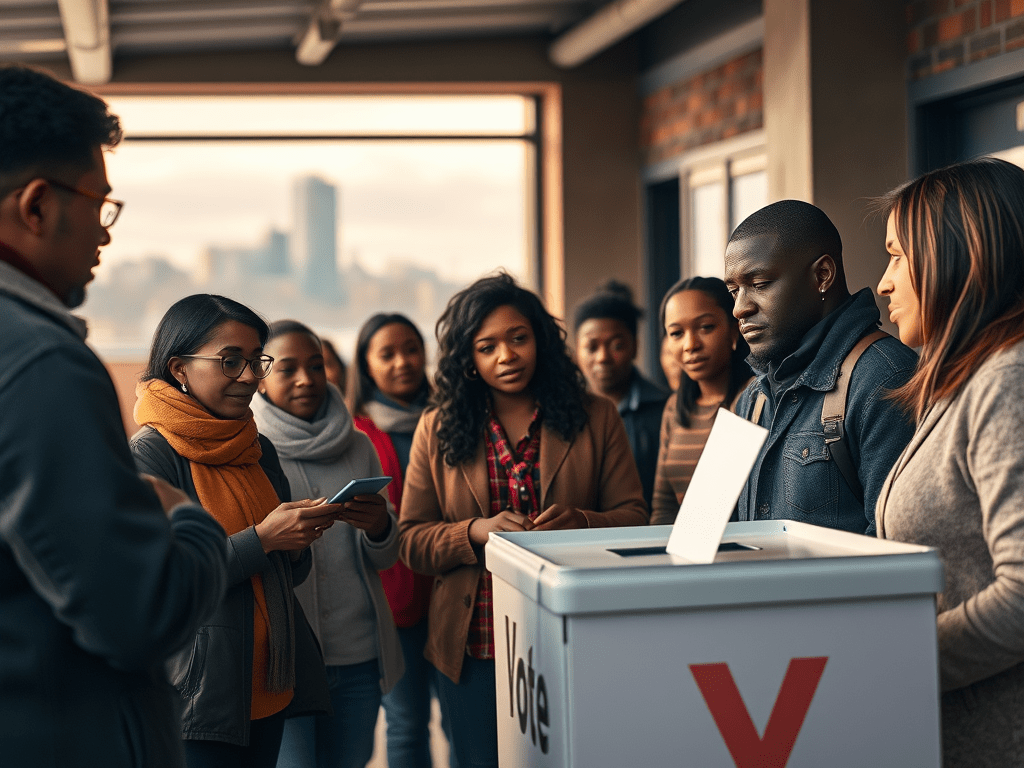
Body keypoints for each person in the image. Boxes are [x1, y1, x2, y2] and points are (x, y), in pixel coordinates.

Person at [0, 64, 229, 768]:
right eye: (100, 204)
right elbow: (139, 616)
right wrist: (190, 519)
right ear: (37, 206)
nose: (105, 236)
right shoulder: (40, 363)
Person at [400, 272, 648, 768]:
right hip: (473, 644)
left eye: (518, 338)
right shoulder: (437, 425)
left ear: (540, 340)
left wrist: (583, 522)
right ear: (467, 358)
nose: (507, 356)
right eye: (487, 346)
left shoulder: (595, 416)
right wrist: (474, 532)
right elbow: (410, 540)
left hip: (570, 633)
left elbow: (637, 519)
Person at [130, 294, 336, 768]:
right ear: (180, 368)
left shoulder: (256, 445)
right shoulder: (150, 454)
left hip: (272, 680)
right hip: (198, 693)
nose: (248, 376)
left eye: (254, 361)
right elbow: (161, 580)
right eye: (229, 361)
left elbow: (290, 573)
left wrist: (298, 535)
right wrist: (263, 539)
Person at [874, 157, 1024, 766]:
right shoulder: (961, 383)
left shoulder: (1006, 382)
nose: (883, 283)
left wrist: (888, 664)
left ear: (958, 255)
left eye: (896, 255)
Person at [250, 319, 403, 768]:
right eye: (288, 368)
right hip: (285, 661)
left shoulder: (357, 444)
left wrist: (379, 527)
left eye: (316, 366)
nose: (306, 379)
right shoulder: (248, 450)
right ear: (261, 378)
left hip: (359, 653)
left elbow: (387, 553)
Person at [725, 200, 917, 535]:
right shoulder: (751, 398)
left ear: (822, 275)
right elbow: (700, 534)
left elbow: (896, 559)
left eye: (759, 283)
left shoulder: (885, 379)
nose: (739, 308)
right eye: (733, 290)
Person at [349, 312, 443, 768]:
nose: (403, 361)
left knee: (461, 721)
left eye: (411, 348)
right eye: (386, 354)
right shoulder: (355, 433)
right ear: (366, 365)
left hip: (453, 588)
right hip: (392, 599)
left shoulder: (452, 419)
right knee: (406, 723)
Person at [649, 276, 752, 525]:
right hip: (683, 555)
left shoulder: (752, 399)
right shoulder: (675, 408)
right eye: (676, 333)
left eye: (705, 327)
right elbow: (664, 507)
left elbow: (719, 513)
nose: (690, 345)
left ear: (734, 328)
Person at [574, 280, 668, 507]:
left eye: (616, 345)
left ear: (634, 346)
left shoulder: (665, 409)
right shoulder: (564, 412)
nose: (603, 357)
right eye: (591, 347)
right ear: (576, 350)